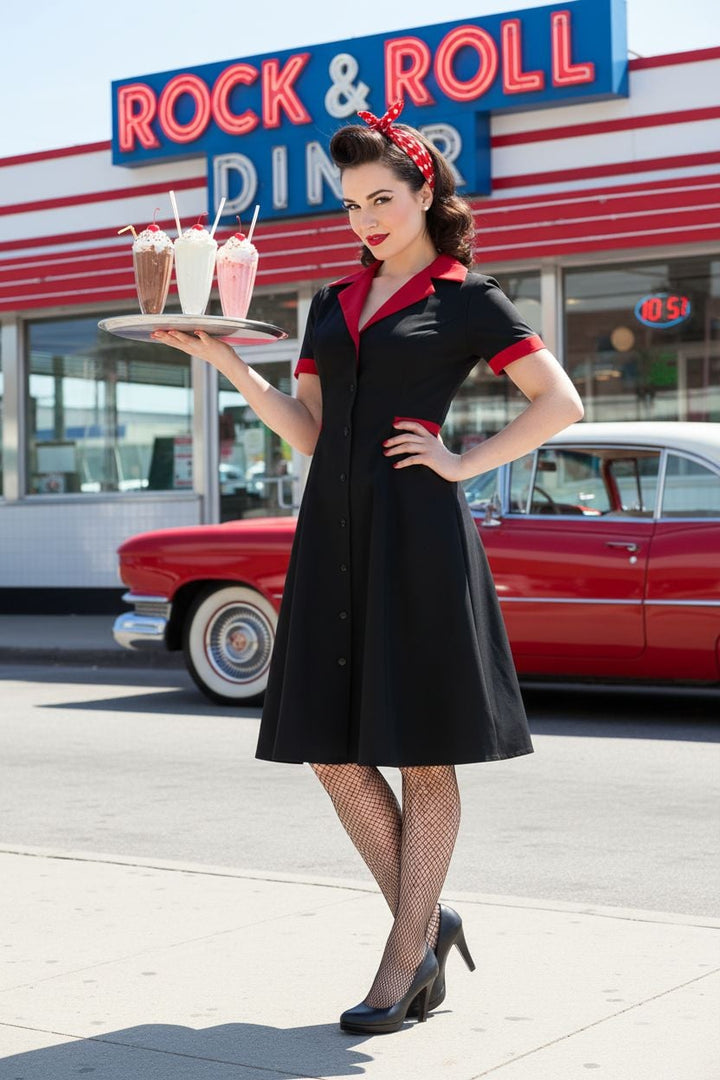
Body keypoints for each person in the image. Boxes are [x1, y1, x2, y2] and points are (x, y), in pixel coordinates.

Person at [152, 100, 584, 1036]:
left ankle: (403, 955)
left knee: (424, 751)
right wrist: (228, 362)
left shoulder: (468, 297)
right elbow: (308, 429)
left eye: (382, 198)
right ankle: (428, 918)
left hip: (419, 538)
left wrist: (464, 462)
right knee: (330, 749)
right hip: (333, 537)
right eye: (351, 205)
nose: (367, 219)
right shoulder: (330, 304)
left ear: (425, 192)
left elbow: (560, 401)